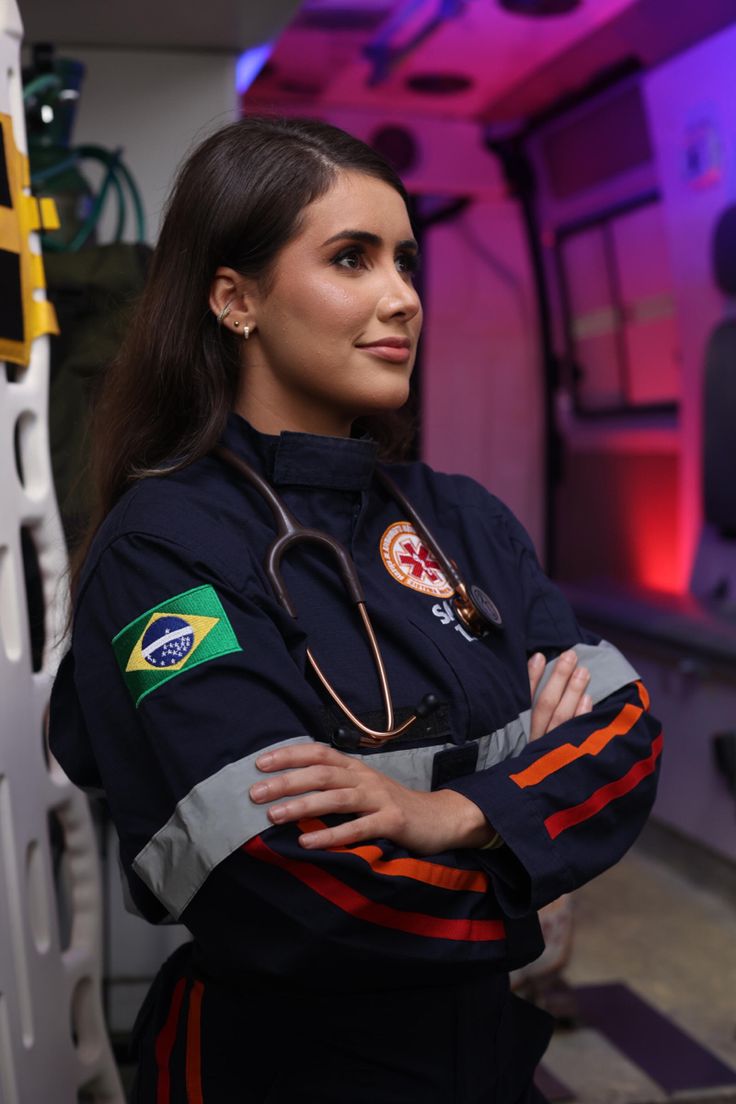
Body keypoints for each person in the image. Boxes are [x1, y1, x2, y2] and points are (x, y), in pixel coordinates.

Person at [49, 115, 662, 1104]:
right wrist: (533, 863)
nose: (402, 299)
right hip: (281, 1071)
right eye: (352, 258)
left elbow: (625, 736)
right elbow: (296, 891)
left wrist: (450, 813)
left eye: (407, 264)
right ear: (234, 298)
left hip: (481, 1060)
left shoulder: (461, 517)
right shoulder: (165, 551)